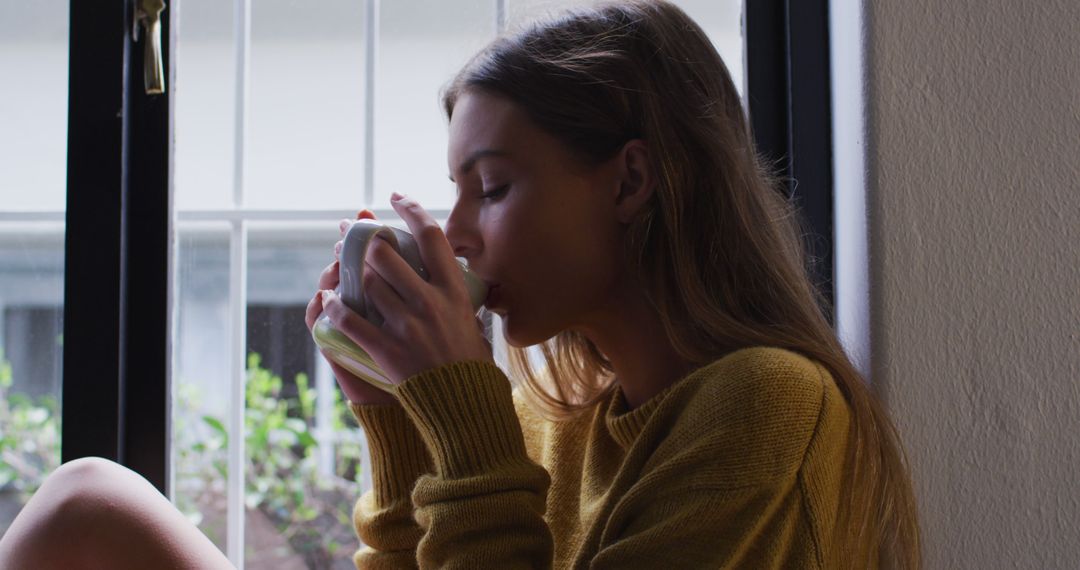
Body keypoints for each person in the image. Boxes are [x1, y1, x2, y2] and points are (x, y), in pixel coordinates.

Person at [0, 1, 920, 568]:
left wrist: (462, 417)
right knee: (88, 504)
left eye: (495, 186)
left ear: (632, 182)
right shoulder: (555, 419)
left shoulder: (768, 404)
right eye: (455, 192)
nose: (461, 230)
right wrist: (399, 425)